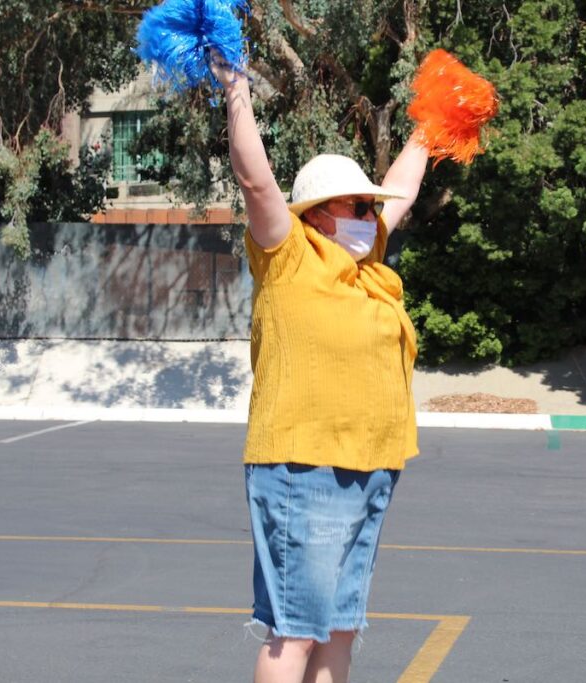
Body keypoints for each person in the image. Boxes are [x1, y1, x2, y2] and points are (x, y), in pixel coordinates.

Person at [212, 57, 429, 683]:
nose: (369, 214)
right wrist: (236, 91)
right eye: (355, 205)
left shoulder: (365, 260)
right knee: (295, 636)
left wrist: (429, 128)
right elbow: (257, 183)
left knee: (338, 630)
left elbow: (404, 190)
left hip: (370, 464)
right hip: (303, 465)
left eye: (369, 206)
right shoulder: (288, 253)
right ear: (315, 214)